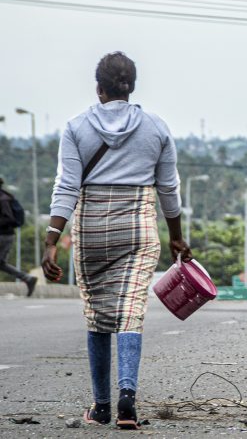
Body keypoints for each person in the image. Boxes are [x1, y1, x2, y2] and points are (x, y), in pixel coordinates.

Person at [41, 52, 192, 428]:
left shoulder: (76, 127)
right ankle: (128, 400)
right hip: (137, 227)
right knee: (130, 312)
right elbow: (168, 189)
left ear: (99, 88)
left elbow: (67, 187)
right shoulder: (156, 127)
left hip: (91, 228)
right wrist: (176, 237)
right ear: (132, 87)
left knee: (97, 315)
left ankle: (102, 406)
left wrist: (51, 239)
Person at [0, 178, 37, 296]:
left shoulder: (3, 199)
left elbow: (8, 218)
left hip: (3, 235)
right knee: (1, 264)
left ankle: (27, 278)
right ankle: (28, 278)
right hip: (6, 234)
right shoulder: (6, 196)